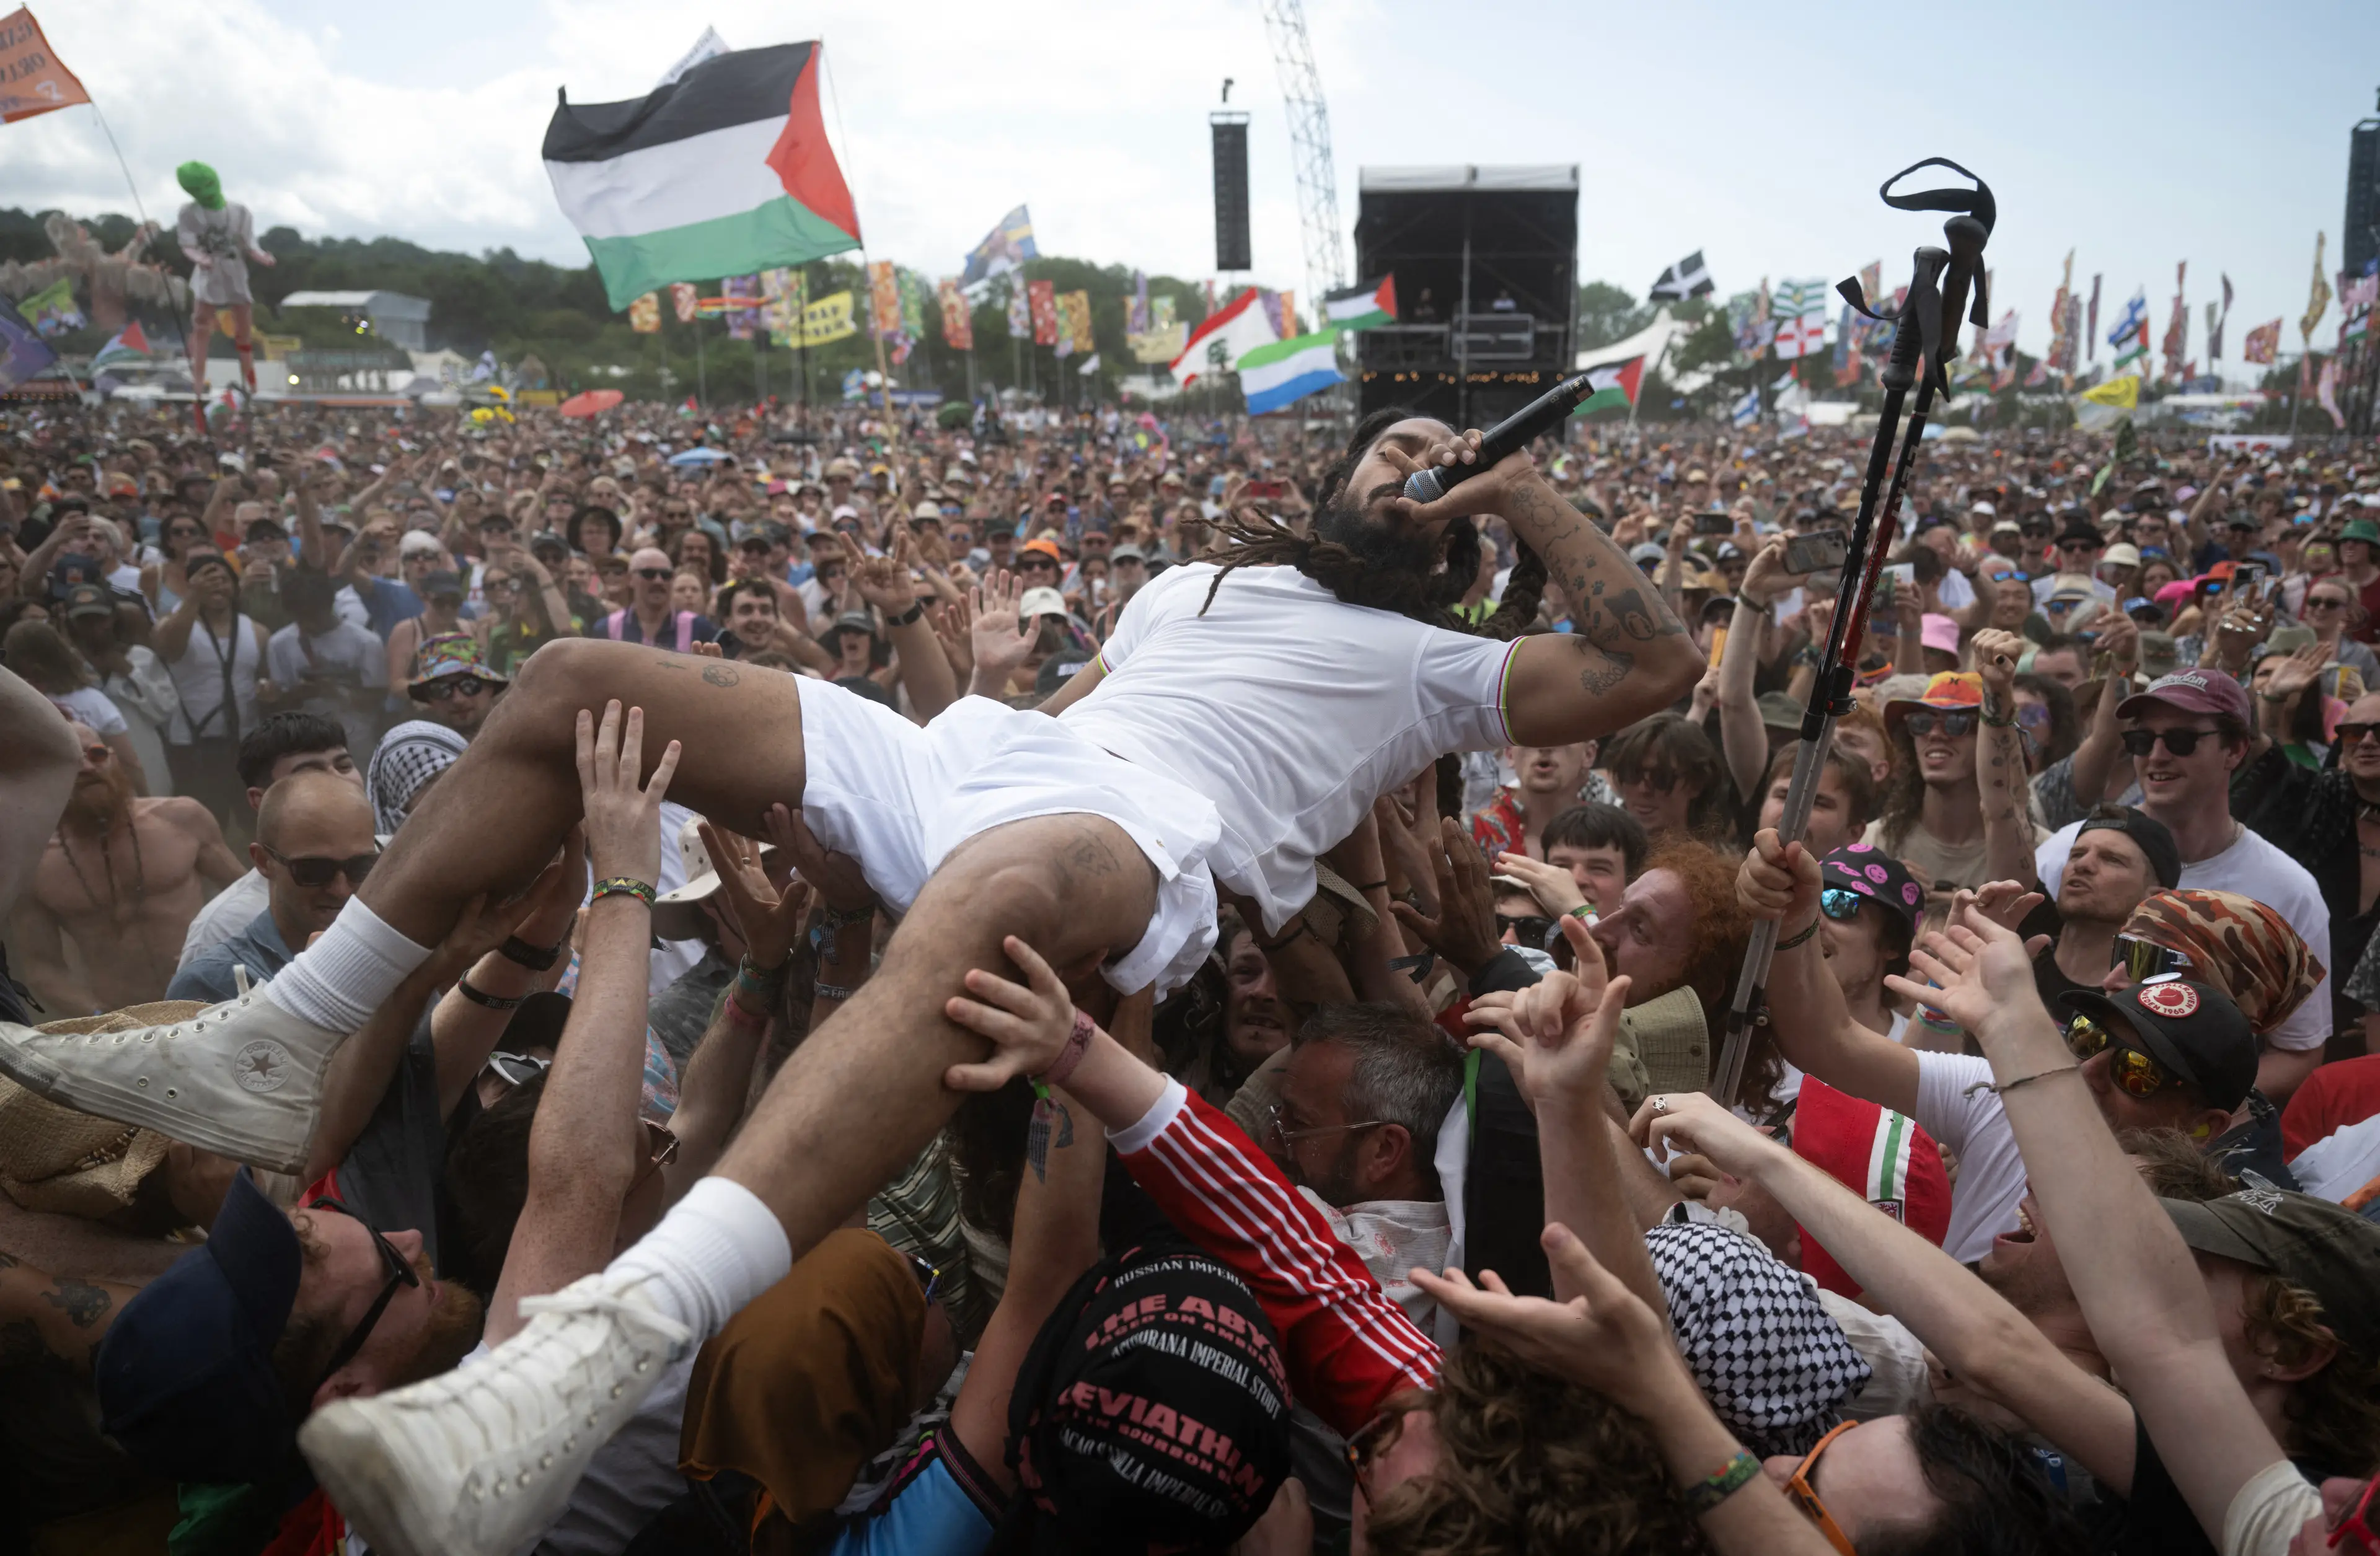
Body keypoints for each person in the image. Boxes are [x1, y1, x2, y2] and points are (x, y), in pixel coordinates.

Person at [4, 413, 1699, 1552]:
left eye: (1438, 464)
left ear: (1461, 535)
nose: (1409, 463)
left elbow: (1651, 662)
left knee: (1004, 885)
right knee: (580, 678)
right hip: (982, 765)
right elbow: (1068, 708)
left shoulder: (1437, 663)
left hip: (1126, 840)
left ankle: (601, 1345)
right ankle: (286, 1037)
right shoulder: (1201, 577)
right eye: (1389, 447)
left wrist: (1506, 486)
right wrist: (894, 749)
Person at [2033, 670, 2332, 1103]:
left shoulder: (2288, 889)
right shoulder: (2071, 847)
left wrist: (2175, 1106)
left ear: (2235, 749)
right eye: (2140, 740)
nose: (2156, 755)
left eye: (2181, 740)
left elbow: (2300, 1051)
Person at [9, 721, 243, 1013]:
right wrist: (101, 1020)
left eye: (95, 754)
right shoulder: (32, 863)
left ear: (113, 759)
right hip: (124, 1021)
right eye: (70, 760)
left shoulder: (181, 818)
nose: (86, 768)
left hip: (217, 1000)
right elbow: (43, 968)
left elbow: (251, 898)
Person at [168, 770, 381, 1004]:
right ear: (263, 861)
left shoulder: (393, 954)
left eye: (361, 867)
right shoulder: (214, 984)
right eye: (314, 871)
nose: (341, 889)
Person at [182, 713, 363, 967]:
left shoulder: (403, 862)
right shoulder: (225, 927)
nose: (338, 779)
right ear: (261, 799)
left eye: (344, 766)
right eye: (311, 871)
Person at [154, 547, 270, 824]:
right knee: (201, 822)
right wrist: (193, 596)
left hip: (244, 741)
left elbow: (264, 676)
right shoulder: (174, 624)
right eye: (206, 578)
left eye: (223, 578)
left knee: (255, 821)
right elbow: (169, 648)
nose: (216, 583)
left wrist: (267, 688)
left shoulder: (257, 630)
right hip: (192, 743)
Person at [2030, 804, 2181, 1014]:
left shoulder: (2155, 1006)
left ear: (2155, 899)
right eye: (2076, 854)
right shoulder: (2021, 960)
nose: (2083, 864)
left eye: (2112, 859)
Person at [265, 567, 389, 762]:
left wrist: (335, 691)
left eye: (313, 617)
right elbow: (280, 705)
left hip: (354, 743)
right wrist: (298, 693)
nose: (307, 625)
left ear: (329, 606)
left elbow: (377, 697)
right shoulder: (279, 644)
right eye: (300, 618)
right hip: (302, 745)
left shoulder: (366, 642)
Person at [173, 160, 276, 393]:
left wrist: (262, 257)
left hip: (234, 270)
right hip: (208, 272)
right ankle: (198, 379)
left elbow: (250, 243)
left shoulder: (239, 212)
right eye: (198, 189)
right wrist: (201, 259)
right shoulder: (189, 213)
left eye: (208, 184)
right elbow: (187, 244)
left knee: (244, 328)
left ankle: (250, 379)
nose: (207, 192)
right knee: (201, 324)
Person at [1469, 739, 1593, 859]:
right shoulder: (1473, 834)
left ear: (1588, 754)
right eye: (1530, 735)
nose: (1545, 748)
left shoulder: (1604, 833)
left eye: (1562, 735)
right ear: (1509, 753)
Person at [599, 547, 717, 651]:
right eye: (649, 574)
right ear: (630, 579)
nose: (658, 581)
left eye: (666, 575)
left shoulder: (698, 627)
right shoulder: (609, 627)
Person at [400, 633, 506, 739]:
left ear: (490, 686)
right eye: (441, 690)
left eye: (469, 685)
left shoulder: (517, 738)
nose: (458, 700)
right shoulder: (421, 746)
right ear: (429, 698)